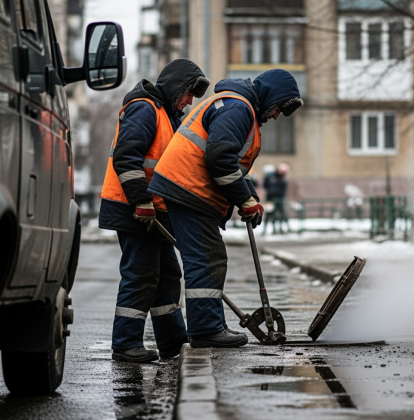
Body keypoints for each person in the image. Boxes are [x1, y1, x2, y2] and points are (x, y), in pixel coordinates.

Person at [148, 69, 303, 348]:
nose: (277, 115)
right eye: (279, 108)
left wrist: (249, 197)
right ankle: (206, 330)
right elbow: (219, 159)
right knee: (206, 260)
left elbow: (234, 167)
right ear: (270, 97)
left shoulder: (237, 106)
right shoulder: (238, 108)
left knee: (208, 258)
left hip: (186, 188)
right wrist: (244, 201)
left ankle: (211, 325)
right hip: (190, 190)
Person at [99, 59, 209, 362]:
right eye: (188, 94)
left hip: (150, 209)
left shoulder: (164, 114)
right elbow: (127, 157)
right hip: (134, 208)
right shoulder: (144, 108)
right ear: (176, 87)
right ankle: (125, 343)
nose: (189, 102)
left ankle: (173, 342)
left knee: (167, 274)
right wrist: (141, 202)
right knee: (140, 274)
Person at [264, 163, 290, 234]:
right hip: (270, 199)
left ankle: (282, 228)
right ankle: (265, 229)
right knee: (268, 214)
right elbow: (266, 186)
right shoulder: (271, 177)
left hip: (279, 199)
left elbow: (283, 190)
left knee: (281, 214)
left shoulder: (283, 179)